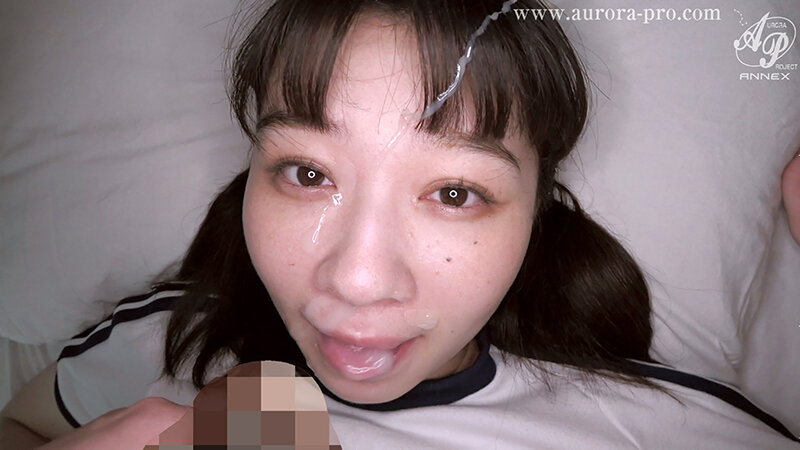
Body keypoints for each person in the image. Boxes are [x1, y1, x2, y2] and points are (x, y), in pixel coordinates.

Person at [1, 0, 798, 448]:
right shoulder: (167, 345)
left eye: (454, 192)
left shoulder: (665, 432)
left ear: (535, 215)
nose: (357, 279)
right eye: (307, 174)